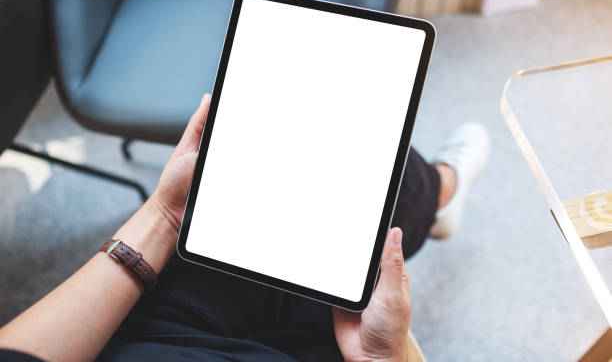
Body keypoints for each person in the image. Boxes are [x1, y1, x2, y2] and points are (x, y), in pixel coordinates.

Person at [0, 94, 489, 361]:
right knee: (371, 205)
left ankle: (439, 191)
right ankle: (445, 188)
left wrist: (165, 215)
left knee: (342, 178)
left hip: (143, 345)